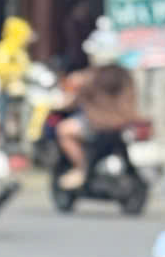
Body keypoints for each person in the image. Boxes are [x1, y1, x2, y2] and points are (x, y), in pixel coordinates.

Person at [54, 59, 140, 192]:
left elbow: (74, 102)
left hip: (99, 125)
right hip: (125, 122)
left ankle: (81, 169)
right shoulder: (124, 74)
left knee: (63, 130)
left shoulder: (91, 77)